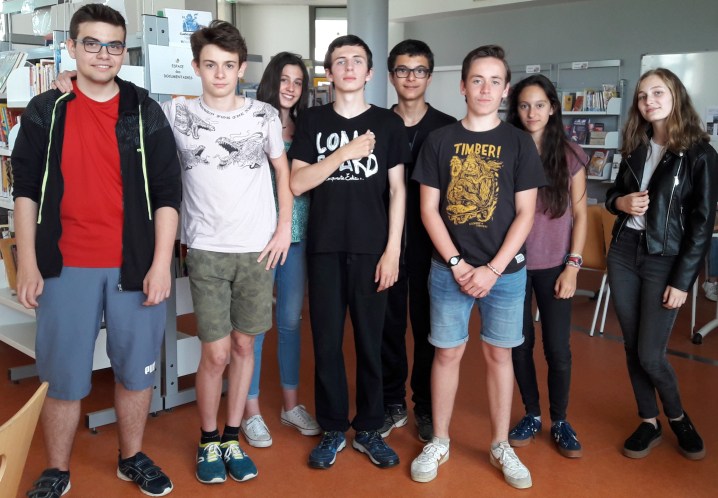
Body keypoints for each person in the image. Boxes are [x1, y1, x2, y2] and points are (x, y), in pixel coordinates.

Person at [13, 4, 181, 497]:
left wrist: (161, 264)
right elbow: (26, 190)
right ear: (71, 47)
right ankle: (57, 470)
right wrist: (28, 262)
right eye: (91, 43)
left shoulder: (144, 110)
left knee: (136, 372)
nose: (103, 54)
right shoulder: (47, 110)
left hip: (135, 266)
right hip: (64, 267)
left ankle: (132, 457)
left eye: (113, 45)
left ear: (124, 51)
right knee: (62, 377)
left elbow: (167, 193)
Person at [410, 45, 544, 489]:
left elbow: (526, 213)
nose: (485, 89)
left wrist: (492, 269)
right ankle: (440, 440)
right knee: (446, 353)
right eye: (477, 80)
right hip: (449, 269)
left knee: (499, 354)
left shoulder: (519, 143)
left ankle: (500, 443)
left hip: (505, 273)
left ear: (505, 90)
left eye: (494, 81)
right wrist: (457, 263)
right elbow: (429, 209)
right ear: (462, 86)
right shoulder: (440, 140)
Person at [289, 34, 409, 470]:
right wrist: (345, 152)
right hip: (324, 249)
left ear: (370, 72)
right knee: (326, 342)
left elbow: (398, 191)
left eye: (358, 60)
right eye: (340, 61)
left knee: (371, 343)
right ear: (329, 72)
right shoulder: (313, 120)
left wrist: (392, 250)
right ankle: (334, 427)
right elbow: (297, 183)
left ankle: (370, 428)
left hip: (372, 249)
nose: (349, 67)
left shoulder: (388, 123)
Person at [605, 68, 717, 461]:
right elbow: (614, 194)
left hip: (665, 260)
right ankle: (649, 421)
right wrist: (620, 203)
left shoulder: (700, 154)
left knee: (650, 353)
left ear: (675, 96)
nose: (648, 101)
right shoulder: (636, 145)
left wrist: (683, 281)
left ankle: (678, 417)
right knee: (632, 346)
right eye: (642, 95)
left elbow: (702, 226)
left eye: (657, 92)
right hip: (623, 253)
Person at [505, 74, 587, 457]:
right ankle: (532, 414)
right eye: (524, 105)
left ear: (553, 108)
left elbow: (581, 215)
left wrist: (573, 266)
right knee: (519, 345)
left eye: (539, 104)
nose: (532, 112)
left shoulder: (570, 154)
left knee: (558, 349)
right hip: (513, 266)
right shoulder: (507, 149)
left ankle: (560, 420)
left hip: (556, 266)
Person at [240, 52, 320, 447]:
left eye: (298, 82)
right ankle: (250, 411)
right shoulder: (251, 120)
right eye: (284, 79)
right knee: (254, 325)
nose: (290, 87)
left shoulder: (307, 127)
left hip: (298, 237)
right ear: (272, 81)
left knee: (290, 321)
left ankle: (290, 405)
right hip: (259, 238)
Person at [380, 39, 456, 442]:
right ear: (391, 75)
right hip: (387, 244)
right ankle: (392, 401)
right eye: (403, 70)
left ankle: (425, 406)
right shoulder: (377, 123)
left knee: (429, 328)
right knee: (388, 326)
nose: (411, 78)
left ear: (429, 75)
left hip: (432, 247)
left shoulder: (447, 128)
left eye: (420, 70)